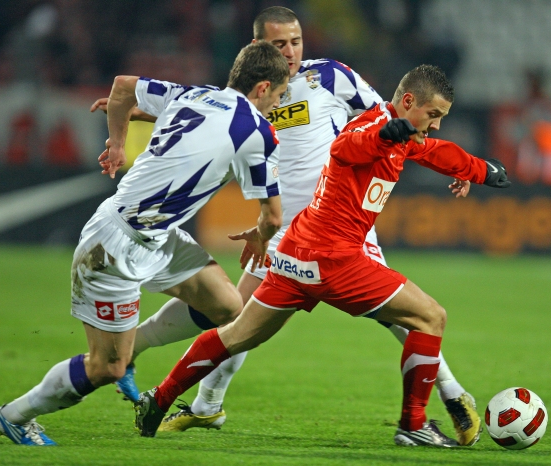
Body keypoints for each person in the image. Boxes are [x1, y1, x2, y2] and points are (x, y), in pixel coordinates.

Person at [101, 6, 482, 446]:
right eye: (279, 44)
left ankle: (451, 395)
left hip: (343, 221)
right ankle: (201, 402)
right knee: (237, 316)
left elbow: (396, 119)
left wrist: (451, 158)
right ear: (257, 47)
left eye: (296, 41)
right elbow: (198, 109)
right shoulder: (253, 90)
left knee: (403, 315)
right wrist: (140, 115)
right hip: (283, 226)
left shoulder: (332, 77)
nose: (291, 52)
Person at [0, 41, 289, 446]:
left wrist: (116, 141)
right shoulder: (256, 130)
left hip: (159, 235)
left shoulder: (194, 94)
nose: (278, 103)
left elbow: (122, 88)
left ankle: (135, 349)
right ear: (263, 87)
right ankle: (14, 415)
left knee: (228, 306)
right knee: (105, 367)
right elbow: (272, 216)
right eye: (280, 95)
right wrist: (261, 235)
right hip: (114, 246)